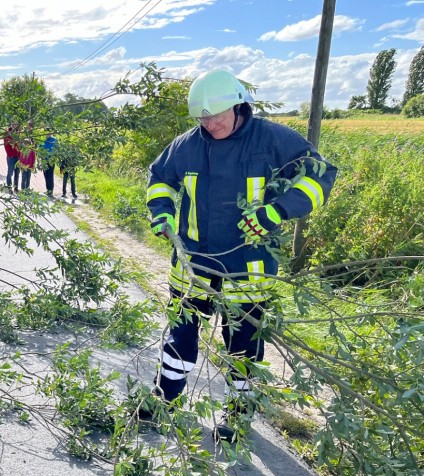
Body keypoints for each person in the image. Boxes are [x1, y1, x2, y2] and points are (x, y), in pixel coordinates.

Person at [140, 68, 337, 441]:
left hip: (248, 267)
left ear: (237, 105)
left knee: (242, 344)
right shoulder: (187, 145)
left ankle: (238, 415)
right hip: (192, 263)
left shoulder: (273, 140)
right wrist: (162, 211)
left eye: (216, 116)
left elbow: (320, 173)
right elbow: (160, 178)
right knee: (180, 336)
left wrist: (277, 211)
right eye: (202, 118)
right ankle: (164, 398)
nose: (210, 124)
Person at [3, 125, 21, 190]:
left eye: (16, 123)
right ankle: (9, 187)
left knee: (17, 173)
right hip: (11, 157)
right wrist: (10, 155)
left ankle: (16, 188)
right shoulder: (8, 132)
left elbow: (21, 145)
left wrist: (20, 155)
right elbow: (6, 145)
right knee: (10, 173)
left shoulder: (19, 132)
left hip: (18, 156)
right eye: (13, 123)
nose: (15, 125)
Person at [40, 131, 57, 197]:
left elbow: (56, 150)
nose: (47, 134)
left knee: (50, 175)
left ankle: (51, 190)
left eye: (49, 133)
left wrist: (51, 156)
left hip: (51, 161)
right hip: (44, 161)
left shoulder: (54, 140)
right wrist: (41, 156)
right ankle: (48, 189)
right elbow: (40, 149)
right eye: (46, 133)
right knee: (45, 175)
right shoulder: (42, 140)